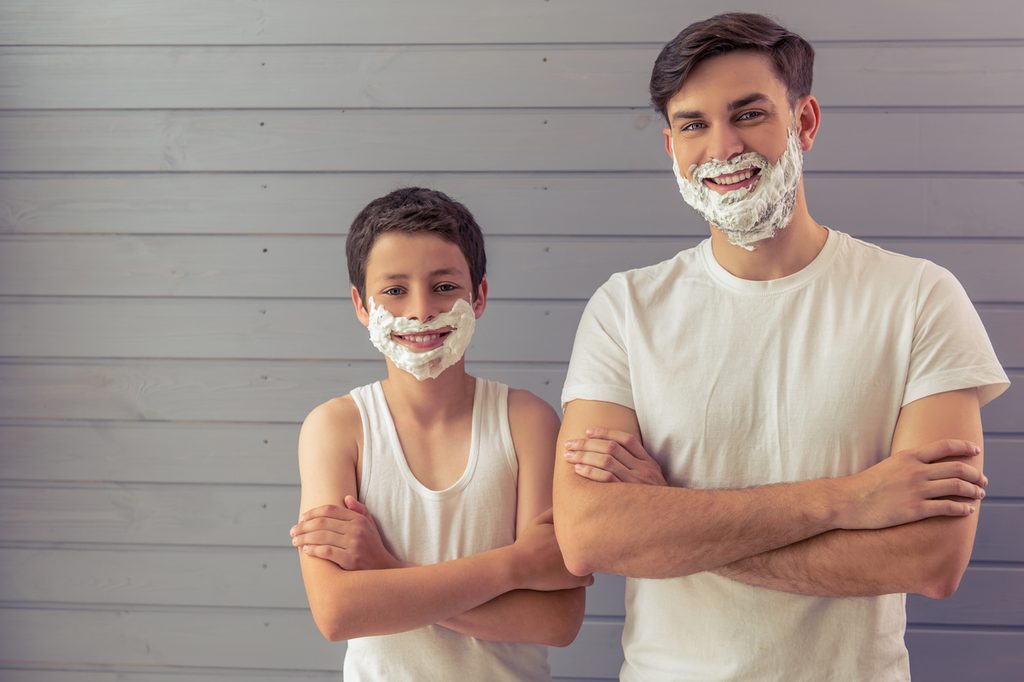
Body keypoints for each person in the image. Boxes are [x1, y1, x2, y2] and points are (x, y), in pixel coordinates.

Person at [552, 12, 1009, 681]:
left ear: (805, 122)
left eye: (750, 114)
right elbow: (589, 535)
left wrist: (672, 525)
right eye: (693, 124)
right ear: (670, 146)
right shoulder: (624, 310)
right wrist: (849, 500)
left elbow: (930, 561)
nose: (722, 147)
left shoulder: (919, 299)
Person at [292, 187, 590, 680]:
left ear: (479, 296)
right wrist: (516, 566)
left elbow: (556, 620)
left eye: (444, 286)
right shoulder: (336, 428)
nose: (421, 311)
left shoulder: (525, 421)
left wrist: (384, 574)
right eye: (394, 291)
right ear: (361, 306)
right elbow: (339, 612)